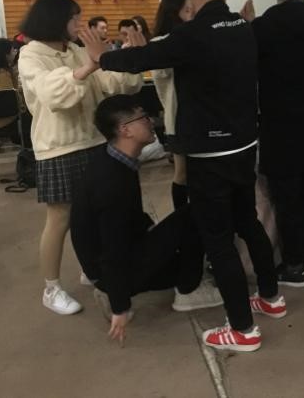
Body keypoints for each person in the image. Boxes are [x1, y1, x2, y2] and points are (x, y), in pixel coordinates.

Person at [82, 0, 285, 353]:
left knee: (218, 240)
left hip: (209, 157)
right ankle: (270, 297)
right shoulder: (243, 27)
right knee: (248, 222)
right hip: (245, 145)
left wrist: (102, 57)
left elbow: (143, 57)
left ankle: (243, 329)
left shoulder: (190, 35)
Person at [17, 0, 143, 315]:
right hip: (58, 147)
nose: (79, 24)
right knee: (60, 218)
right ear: (55, 20)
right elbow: (52, 94)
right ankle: (51, 288)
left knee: (93, 215)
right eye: (74, 18)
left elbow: (110, 84)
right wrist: (88, 65)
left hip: (93, 141)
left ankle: (91, 268)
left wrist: (130, 58)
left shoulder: (73, 50)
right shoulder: (31, 54)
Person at [70, 95, 222, 346]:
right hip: (112, 268)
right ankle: (189, 291)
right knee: (194, 215)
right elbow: (113, 249)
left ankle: (113, 288)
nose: (150, 122)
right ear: (125, 130)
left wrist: (155, 233)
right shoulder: (111, 182)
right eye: (142, 118)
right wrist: (120, 307)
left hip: (110, 261)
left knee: (179, 241)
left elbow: (126, 221)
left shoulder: (113, 159)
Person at [241, 0, 304, 288]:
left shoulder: (263, 26)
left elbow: (249, 66)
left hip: (279, 121)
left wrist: (247, 26)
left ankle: (294, 265)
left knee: (287, 194)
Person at [150, 0, 194, 210]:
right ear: (174, 14)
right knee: (182, 173)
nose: (192, 15)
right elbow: (163, 72)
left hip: (197, 118)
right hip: (178, 119)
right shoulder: (161, 43)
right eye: (187, 10)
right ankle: (182, 218)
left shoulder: (191, 39)